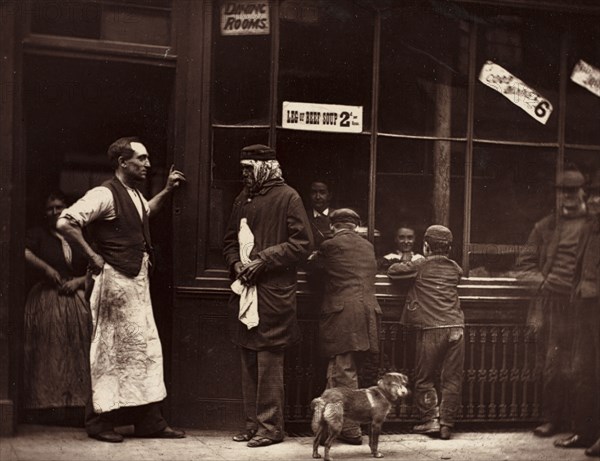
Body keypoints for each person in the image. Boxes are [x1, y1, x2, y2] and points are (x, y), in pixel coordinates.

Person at [56, 137, 186, 443]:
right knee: (108, 352)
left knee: (143, 350)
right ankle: (99, 423)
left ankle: (148, 421)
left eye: (147, 158)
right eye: (141, 159)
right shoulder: (104, 193)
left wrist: (166, 191)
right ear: (122, 163)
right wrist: (93, 257)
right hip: (112, 283)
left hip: (136, 283)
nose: (147, 164)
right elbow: (66, 222)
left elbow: (145, 213)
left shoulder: (134, 194)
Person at [223, 144, 313, 448]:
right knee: (248, 358)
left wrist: (264, 259)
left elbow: (302, 244)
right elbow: (228, 241)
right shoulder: (242, 198)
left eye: (249, 168)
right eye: (243, 169)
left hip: (273, 295)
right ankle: (253, 425)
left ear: (265, 166)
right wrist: (236, 264)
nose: (245, 174)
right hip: (246, 291)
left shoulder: (289, 196)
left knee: (269, 362)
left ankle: (271, 428)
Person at [516, 168, 588, 438]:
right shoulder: (546, 226)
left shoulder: (594, 225)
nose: (568, 196)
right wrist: (543, 284)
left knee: (585, 366)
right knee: (553, 365)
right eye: (563, 191)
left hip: (586, 305)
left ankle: (581, 424)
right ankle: (551, 419)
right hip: (553, 306)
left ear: (583, 191)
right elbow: (524, 265)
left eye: (573, 190)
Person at [310, 208, 381, 445]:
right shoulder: (368, 246)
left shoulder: (330, 246)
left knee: (343, 369)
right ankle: (329, 425)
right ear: (356, 225)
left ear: (333, 226)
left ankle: (351, 429)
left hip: (342, 315)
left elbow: (313, 273)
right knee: (340, 368)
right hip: (367, 314)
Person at [388, 225, 464, 440]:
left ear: (427, 246)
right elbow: (457, 275)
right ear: (449, 247)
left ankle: (430, 419)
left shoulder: (420, 264)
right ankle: (447, 424)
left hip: (431, 328)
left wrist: (415, 261)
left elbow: (393, 272)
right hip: (456, 327)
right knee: (452, 379)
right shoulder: (455, 267)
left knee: (425, 378)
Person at [24, 191, 91, 425]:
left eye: (59, 207)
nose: (54, 212)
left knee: (78, 351)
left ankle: (75, 408)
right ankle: (46, 407)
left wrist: (78, 281)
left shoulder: (79, 236)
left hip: (77, 299)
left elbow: (98, 265)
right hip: (47, 299)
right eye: (50, 208)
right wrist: (46, 269)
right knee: (49, 352)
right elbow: (23, 252)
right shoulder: (39, 235)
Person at [553, 171, 600, 457]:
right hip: (584, 305)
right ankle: (586, 432)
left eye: (598, 195)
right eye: (591, 194)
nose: (592, 199)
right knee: (584, 370)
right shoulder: (588, 227)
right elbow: (578, 268)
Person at [308, 180, 334, 247]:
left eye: (322, 193)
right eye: (314, 192)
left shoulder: (337, 216)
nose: (317, 197)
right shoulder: (304, 216)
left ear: (329, 195)